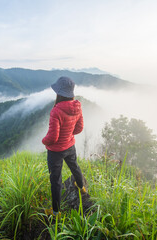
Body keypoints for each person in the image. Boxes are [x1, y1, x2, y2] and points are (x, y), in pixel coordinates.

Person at [42, 76, 87, 217]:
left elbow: (53, 137)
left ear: (59, 93)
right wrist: (67, 134)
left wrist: (44, 141)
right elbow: (79, 128)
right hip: (70, 145)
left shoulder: (56, 111)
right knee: (75, 166)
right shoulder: (77, 107)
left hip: (55, 151)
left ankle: (55, 212)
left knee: (56, 180)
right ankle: (82, 188)